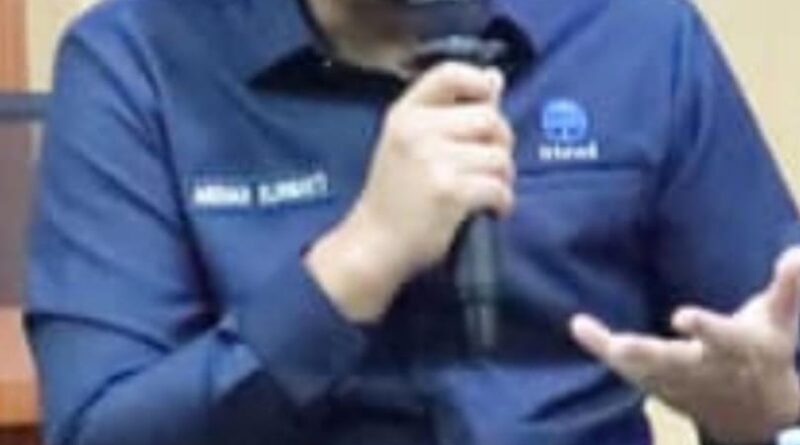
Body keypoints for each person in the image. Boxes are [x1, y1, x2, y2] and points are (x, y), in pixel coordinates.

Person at [26, 0, 800, 444]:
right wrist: (358, 261)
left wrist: (762, 416)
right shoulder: (140, 60)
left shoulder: (636, 37)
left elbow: (777, 367)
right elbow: (100, 429)